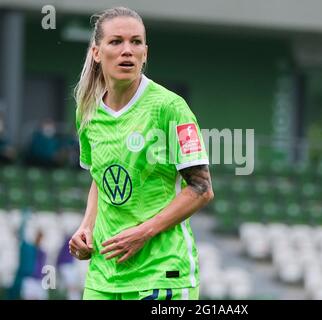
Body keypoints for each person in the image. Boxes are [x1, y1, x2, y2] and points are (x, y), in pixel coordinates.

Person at [69, 7, 214, 300]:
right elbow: (100, 177)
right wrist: (87, 225)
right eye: (116, 42)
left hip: (162, 274)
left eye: (136, 42)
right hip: (104, 276)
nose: (127, 51)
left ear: (145, 53)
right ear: (97, 53)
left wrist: (143, 233)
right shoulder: (88, 112)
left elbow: (201, 189)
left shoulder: (170, 108)